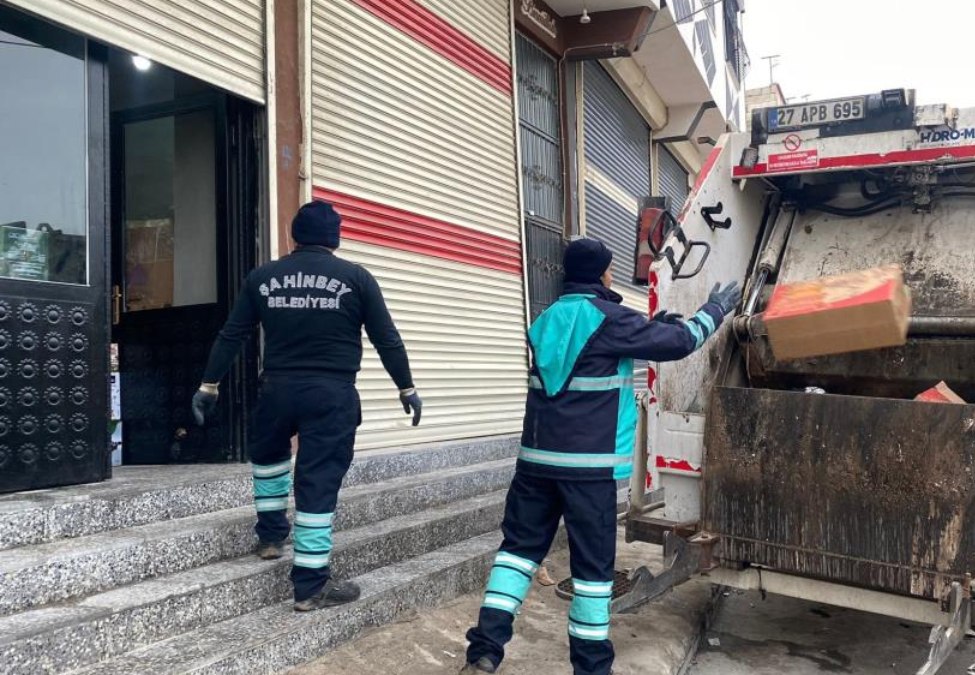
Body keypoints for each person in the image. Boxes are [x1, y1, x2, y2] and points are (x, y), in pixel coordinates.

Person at [461, 238, 740, 675]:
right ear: (601, 274)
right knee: (592, 576)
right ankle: (591, 668)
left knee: (516, 554)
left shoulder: (546, 318)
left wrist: (649, 329)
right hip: (587, 471)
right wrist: (715, 311)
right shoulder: (611, 319)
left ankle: (484, 650)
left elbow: (590, 353)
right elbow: (681, 341)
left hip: (535, 464)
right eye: (610, 270)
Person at [191, 201, 422, 611]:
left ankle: (269, 536)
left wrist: (209, 385)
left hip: (277, 389)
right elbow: (388, 339)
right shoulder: (356, 278)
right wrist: (406, 388)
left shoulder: (262, 278)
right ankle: (310, 585)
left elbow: (232, 335)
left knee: (269, 459)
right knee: (317, 482)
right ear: (335, 238)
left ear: (294, 235)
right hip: (331, 395)